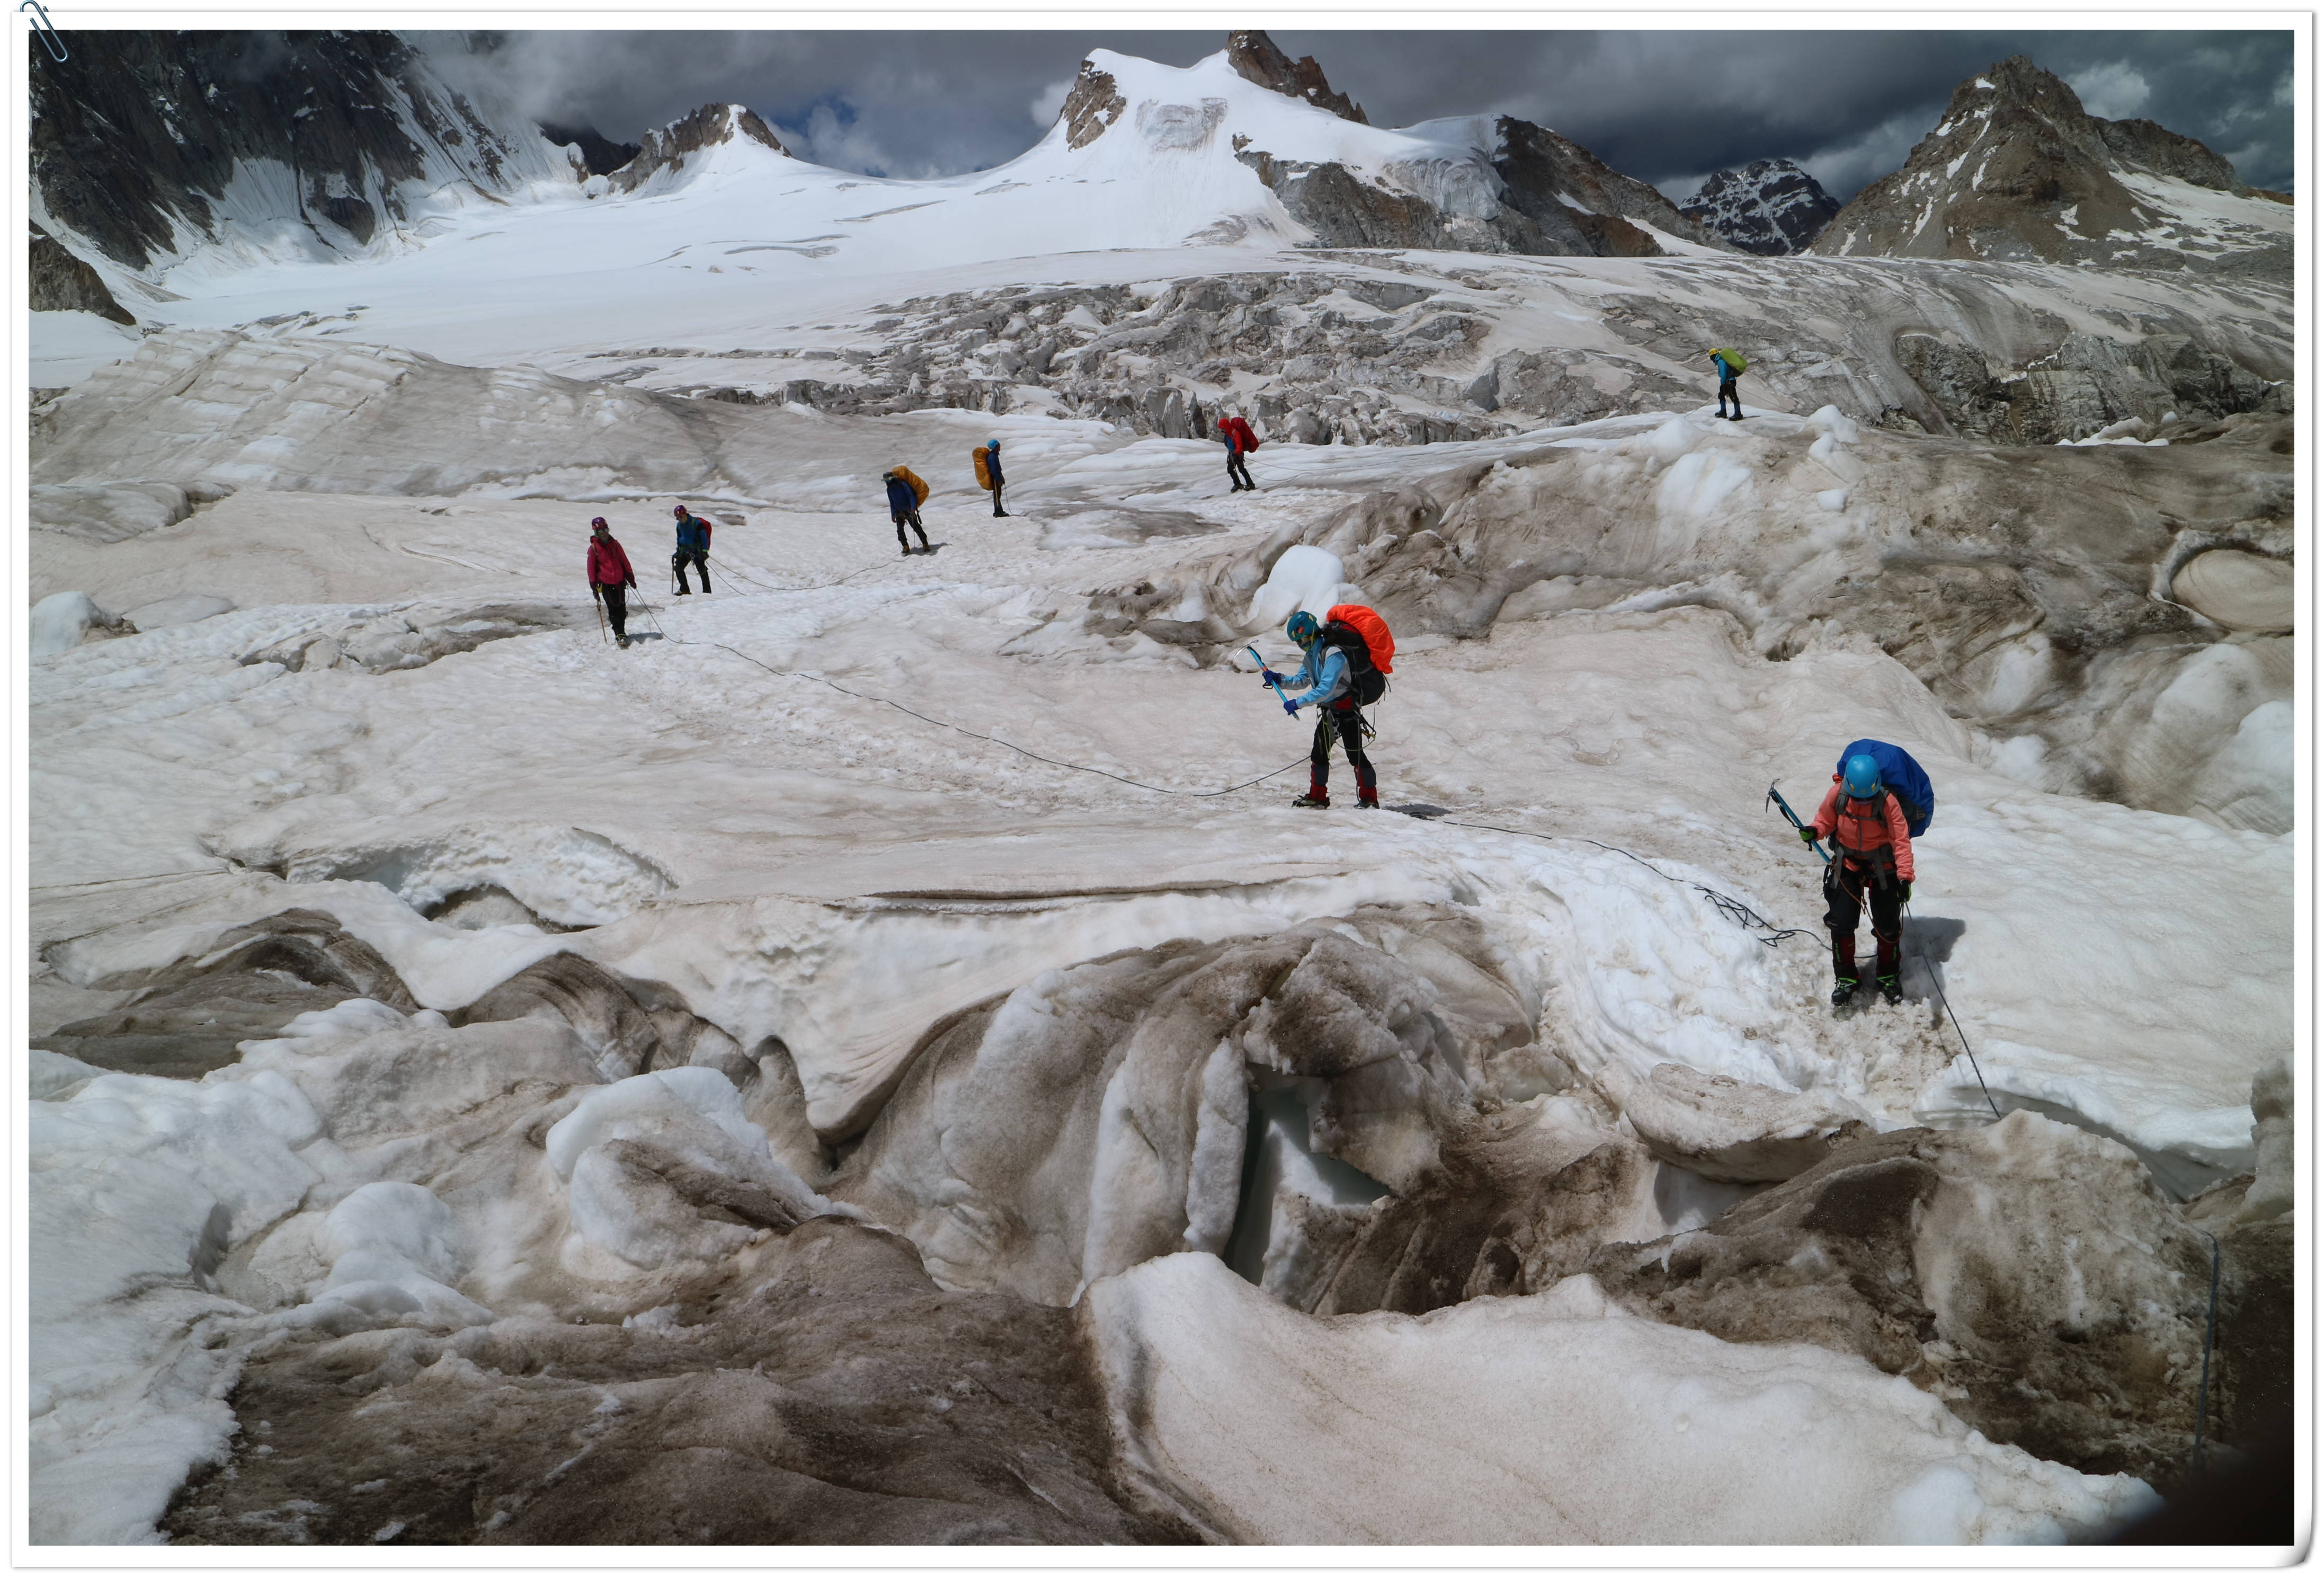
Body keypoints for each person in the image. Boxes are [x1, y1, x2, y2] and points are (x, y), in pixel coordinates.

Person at [1805, 752, 1916, 1006]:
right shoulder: (1838, 795)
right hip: (1848, 864)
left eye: (1867, 797)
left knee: (1888, 926)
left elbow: (1901, 841)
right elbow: (1825, 821)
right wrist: (1815, 831)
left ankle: (1888, 974)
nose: (1862, 802)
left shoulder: (1888, 802)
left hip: (1884, 867)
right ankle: (1846, 978)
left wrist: (1905, 878)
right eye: (1858, 797)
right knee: (1841, 924)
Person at [1261, 609, 1381, 810]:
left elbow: (1325, 689)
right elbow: (1302, 680)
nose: (1301, 645)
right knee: (1319, 754)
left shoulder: (1334, 654)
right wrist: (1279, 679)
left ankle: (1370, 799)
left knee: (1355, 755)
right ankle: (1317, 796)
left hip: (1347, 713)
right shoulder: (1312, 655)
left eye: (1302, 640)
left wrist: (1298, 703)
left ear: (1312, 633)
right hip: (1330, 712)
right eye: (1298, 642)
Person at [587, 517, 639, 648]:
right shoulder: (593, 549)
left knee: (622, 608)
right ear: (596, 533)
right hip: (606, 584)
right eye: (600, 531)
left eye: (606, 530)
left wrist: (631, 577)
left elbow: (624, 560)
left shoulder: (615, 544)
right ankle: (619, 633)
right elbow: (591, 569)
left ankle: (621, 631)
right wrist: (594, 587)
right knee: (613, 608)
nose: (604, 533)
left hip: (620, 581)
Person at [884, 468, 930, 555]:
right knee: (900, 530)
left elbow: (911, 496)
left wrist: (913, 507)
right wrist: (893, 514)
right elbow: (892, 502)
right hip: (898, 512)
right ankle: (905, 546)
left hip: (908, 510)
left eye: (887, 480)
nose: (887, 483)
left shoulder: (903, 485)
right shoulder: (889, 489)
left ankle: (925, 543)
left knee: (916, 527)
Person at [671, 504, 713, 593]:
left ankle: (707, 592)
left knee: (702, 570)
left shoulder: (696, 523)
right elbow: (679, 539)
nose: (680, 520)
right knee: (678, 568)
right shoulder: (679, 526)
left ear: (685, 514)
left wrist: (705, 550)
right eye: (678, 518)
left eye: (681, 517)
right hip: (685, 550)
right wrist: (679, 551)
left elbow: (704, 537)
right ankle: (684, 589)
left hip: (697, 550)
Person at [1218, 413, 1258, 492]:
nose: (1222, 430)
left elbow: (1239, 443)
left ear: (1225, 426)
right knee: (1230, 469)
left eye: (1222, 428)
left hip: (1237, 454)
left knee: (1241, 469)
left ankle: (1250, 484)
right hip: (1232, 454)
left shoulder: (1235, 432)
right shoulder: (1228, 434)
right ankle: (1238, 484)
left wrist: (1238, 452)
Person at [1709, 348, 1744, 421]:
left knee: (1733, 397)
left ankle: (1737, 414)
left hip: (1728, 382)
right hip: (1730, 381)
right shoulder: (1722, 360)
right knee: (1722, 395)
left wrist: (1723, 384)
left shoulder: (1721, 362)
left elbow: (1723, 374)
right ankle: (1724, 412)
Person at [983, 439, 1010, 518]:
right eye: (998, 445)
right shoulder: (993, 457)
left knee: (998, 494)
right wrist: (998, 479)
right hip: (995, 478)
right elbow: (994, 470)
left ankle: (999, 510)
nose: (1000, 446)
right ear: (996, 447)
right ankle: (998, 511)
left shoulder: (994, 455)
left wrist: (1001, 477)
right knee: (997, 495)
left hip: (996, 477)